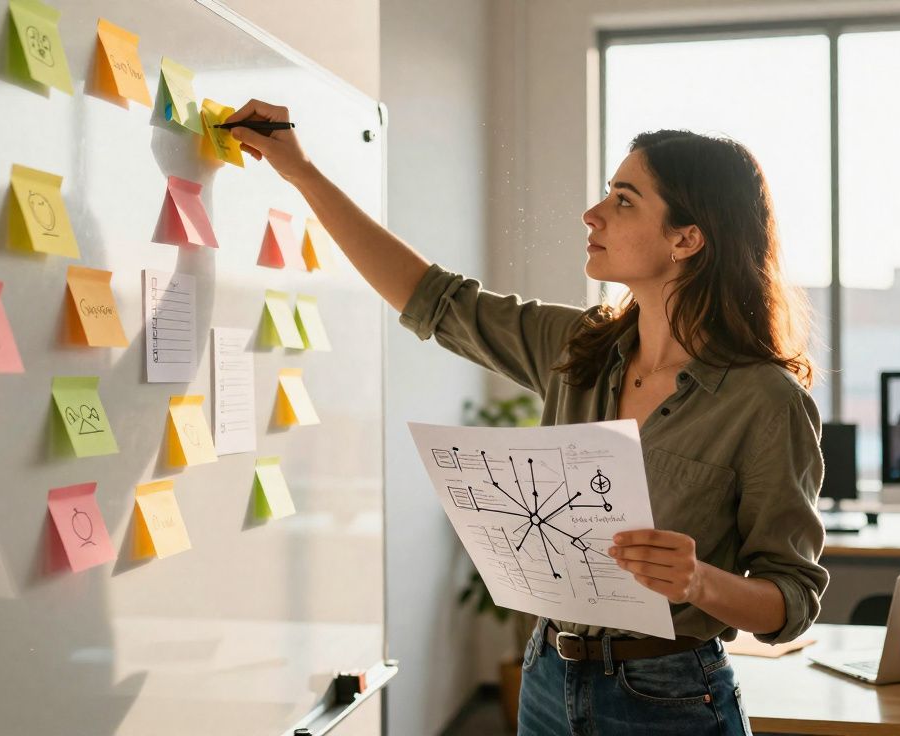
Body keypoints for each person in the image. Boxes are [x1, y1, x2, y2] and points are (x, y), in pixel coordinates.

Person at [225, 101, 828, 735]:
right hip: (548, 677)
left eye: (624, 200)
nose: (592, 214)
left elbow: (792, 599)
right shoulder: (579, 347)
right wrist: (303, 172)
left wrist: (698, 582)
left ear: (687, 238)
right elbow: (428, 295)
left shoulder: (765, 401)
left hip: (670, 697)